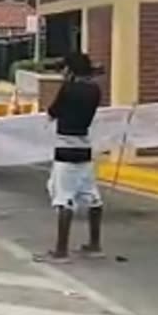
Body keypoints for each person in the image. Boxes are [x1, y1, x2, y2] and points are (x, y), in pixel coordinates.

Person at [41, 51, 104, 262]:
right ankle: (94, 245)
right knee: (92, 196)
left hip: (65, 149)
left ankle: (61, 251)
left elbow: (52, 112)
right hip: (84, 149)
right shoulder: (95, 91)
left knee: (63, 198)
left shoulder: (68, 89)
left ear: (70, 69)